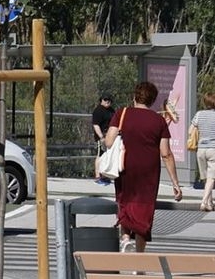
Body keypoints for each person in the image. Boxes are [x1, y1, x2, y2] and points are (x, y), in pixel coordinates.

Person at [104, 81, 184, 252]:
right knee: (144, 208)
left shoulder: (121, 113)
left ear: (135, 96)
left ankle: (125, 239)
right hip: (149, 171)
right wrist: (175, 183)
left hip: (125, 167)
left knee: (124, 201)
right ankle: (139, 256)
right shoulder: (159, 121)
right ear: (153, 100)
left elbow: (109, 141)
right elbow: (166, 153)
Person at [190, 92, 215, 211]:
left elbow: (191, 130)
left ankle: (210, 204)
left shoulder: (199, 114)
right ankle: (204, 202)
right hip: (213, 149)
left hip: (200, 150)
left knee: (206, 178)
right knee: (211, 178)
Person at [91, 94, 115, 185]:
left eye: (109, 100)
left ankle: (104, 175)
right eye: (105, 99)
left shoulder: (111, 110)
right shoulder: (98, 110)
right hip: (101, 136)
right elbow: (96, 124)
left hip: (110, 135)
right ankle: (98, 175)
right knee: (100, 154)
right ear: (101, 100)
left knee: (107, 156)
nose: (107, 101)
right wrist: (101, 137)